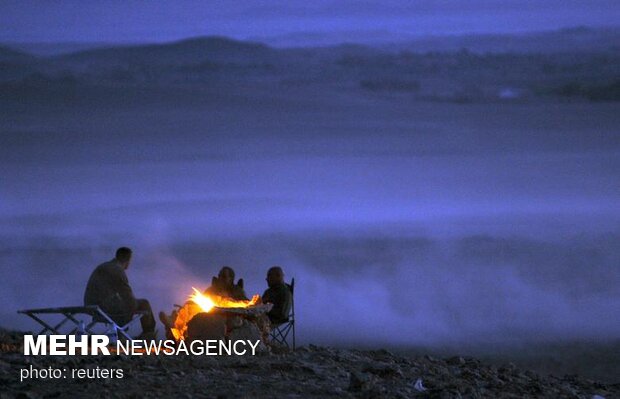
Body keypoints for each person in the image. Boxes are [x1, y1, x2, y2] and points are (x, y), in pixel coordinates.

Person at [84, 247, 156, 338]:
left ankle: (124, 332)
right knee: (144, 303)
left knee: (123, 303)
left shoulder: (103, 266)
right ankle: (148, 335)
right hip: (103, 308)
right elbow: (128, 297)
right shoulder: (117, 270)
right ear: (128, 260)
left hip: (91, 305)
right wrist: (131, 311)